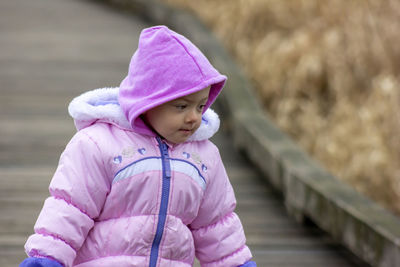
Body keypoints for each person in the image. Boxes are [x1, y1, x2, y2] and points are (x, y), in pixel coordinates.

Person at [20, 25, 256, 267]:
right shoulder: (99, 144)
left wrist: (235, 263)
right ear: (148, 101)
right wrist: (47, 258)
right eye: (181, 106)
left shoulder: (203, 157)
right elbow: (70, 208)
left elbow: (216, 224)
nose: (194, 117)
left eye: (200, 106)